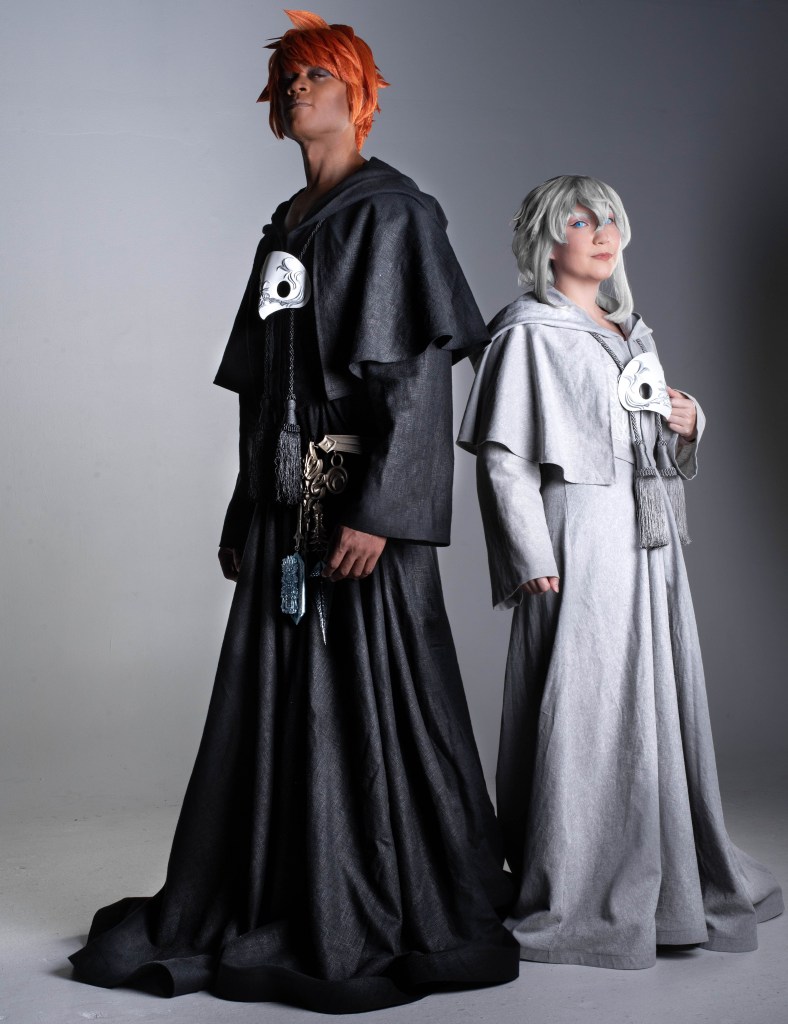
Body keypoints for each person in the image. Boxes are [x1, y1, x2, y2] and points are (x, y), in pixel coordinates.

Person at [69, 10, 519, 1013]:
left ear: (360, 95)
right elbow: (264, 391)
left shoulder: (393, 215)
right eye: (289, 78)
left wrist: (382, 511)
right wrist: (247, 508)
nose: (297, 88)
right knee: (277, 692)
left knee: (376, 690)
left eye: (316, 75)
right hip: (285, 503)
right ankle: (281, 882)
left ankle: (380, 890)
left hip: (361, 507)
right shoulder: (285, 226)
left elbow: (414, 379)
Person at [458, 174, 783, 969]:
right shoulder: (528, 334)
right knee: (585, 707)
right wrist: (529, 554)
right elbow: (503, 460)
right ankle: (577, 878)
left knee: (653, 703)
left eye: (609, 219)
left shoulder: (632, 332)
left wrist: (688, 422)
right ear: (547, 238)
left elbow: (650, 448)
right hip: (580, 541)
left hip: (648, 542)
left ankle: (672, 880)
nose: (601, 233)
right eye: (581, 221)